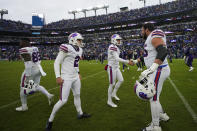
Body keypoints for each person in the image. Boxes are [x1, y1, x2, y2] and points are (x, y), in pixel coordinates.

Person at [46, 33, 91, 131]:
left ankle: (80, 113)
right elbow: (57, 62)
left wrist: (78, 72)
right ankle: (50, 120)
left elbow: (76, 63)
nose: (81, 42)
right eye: (79, 40)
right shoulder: (66, 47)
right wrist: (58, 76)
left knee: (77, 95)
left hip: (75, 77)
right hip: (66, 77)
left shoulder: (80, 50)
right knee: (63, 100)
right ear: (73, 40)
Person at [131, 23, 170, 131]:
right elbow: (146, 56)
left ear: (147, 29)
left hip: (158, 70)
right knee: (139, 84)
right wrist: (135, 61)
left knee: (153, 98)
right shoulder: (149, 38)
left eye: (142, 30)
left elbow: (163, 51)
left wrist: (152, 68)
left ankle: (155, 126)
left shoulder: (154, 34)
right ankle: (162, 114)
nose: (141, 32)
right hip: (154, 71)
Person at [16, 38, 54, 111]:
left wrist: (28, 77)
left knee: (23, 88)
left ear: (24, 43)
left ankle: (24, 107)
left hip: (31, 70)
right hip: (39, 69)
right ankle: (49, 95)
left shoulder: (23, 49)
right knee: (36, 85)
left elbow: (28, 63)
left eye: (21, 42)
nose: (19, 43)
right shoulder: (35, 48)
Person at [106, 34, 133, 108]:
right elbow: (117, 58)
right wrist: (128, 62)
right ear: (114, 40)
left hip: (116, 67)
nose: (119, 41)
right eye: (118, 40)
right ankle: (109, 101)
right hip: (111, 68)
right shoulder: (112, 47)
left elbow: (117, 59)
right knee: (112, 84)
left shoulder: (116, 47)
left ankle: (114, 93)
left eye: (119, 40)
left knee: (121, 80)